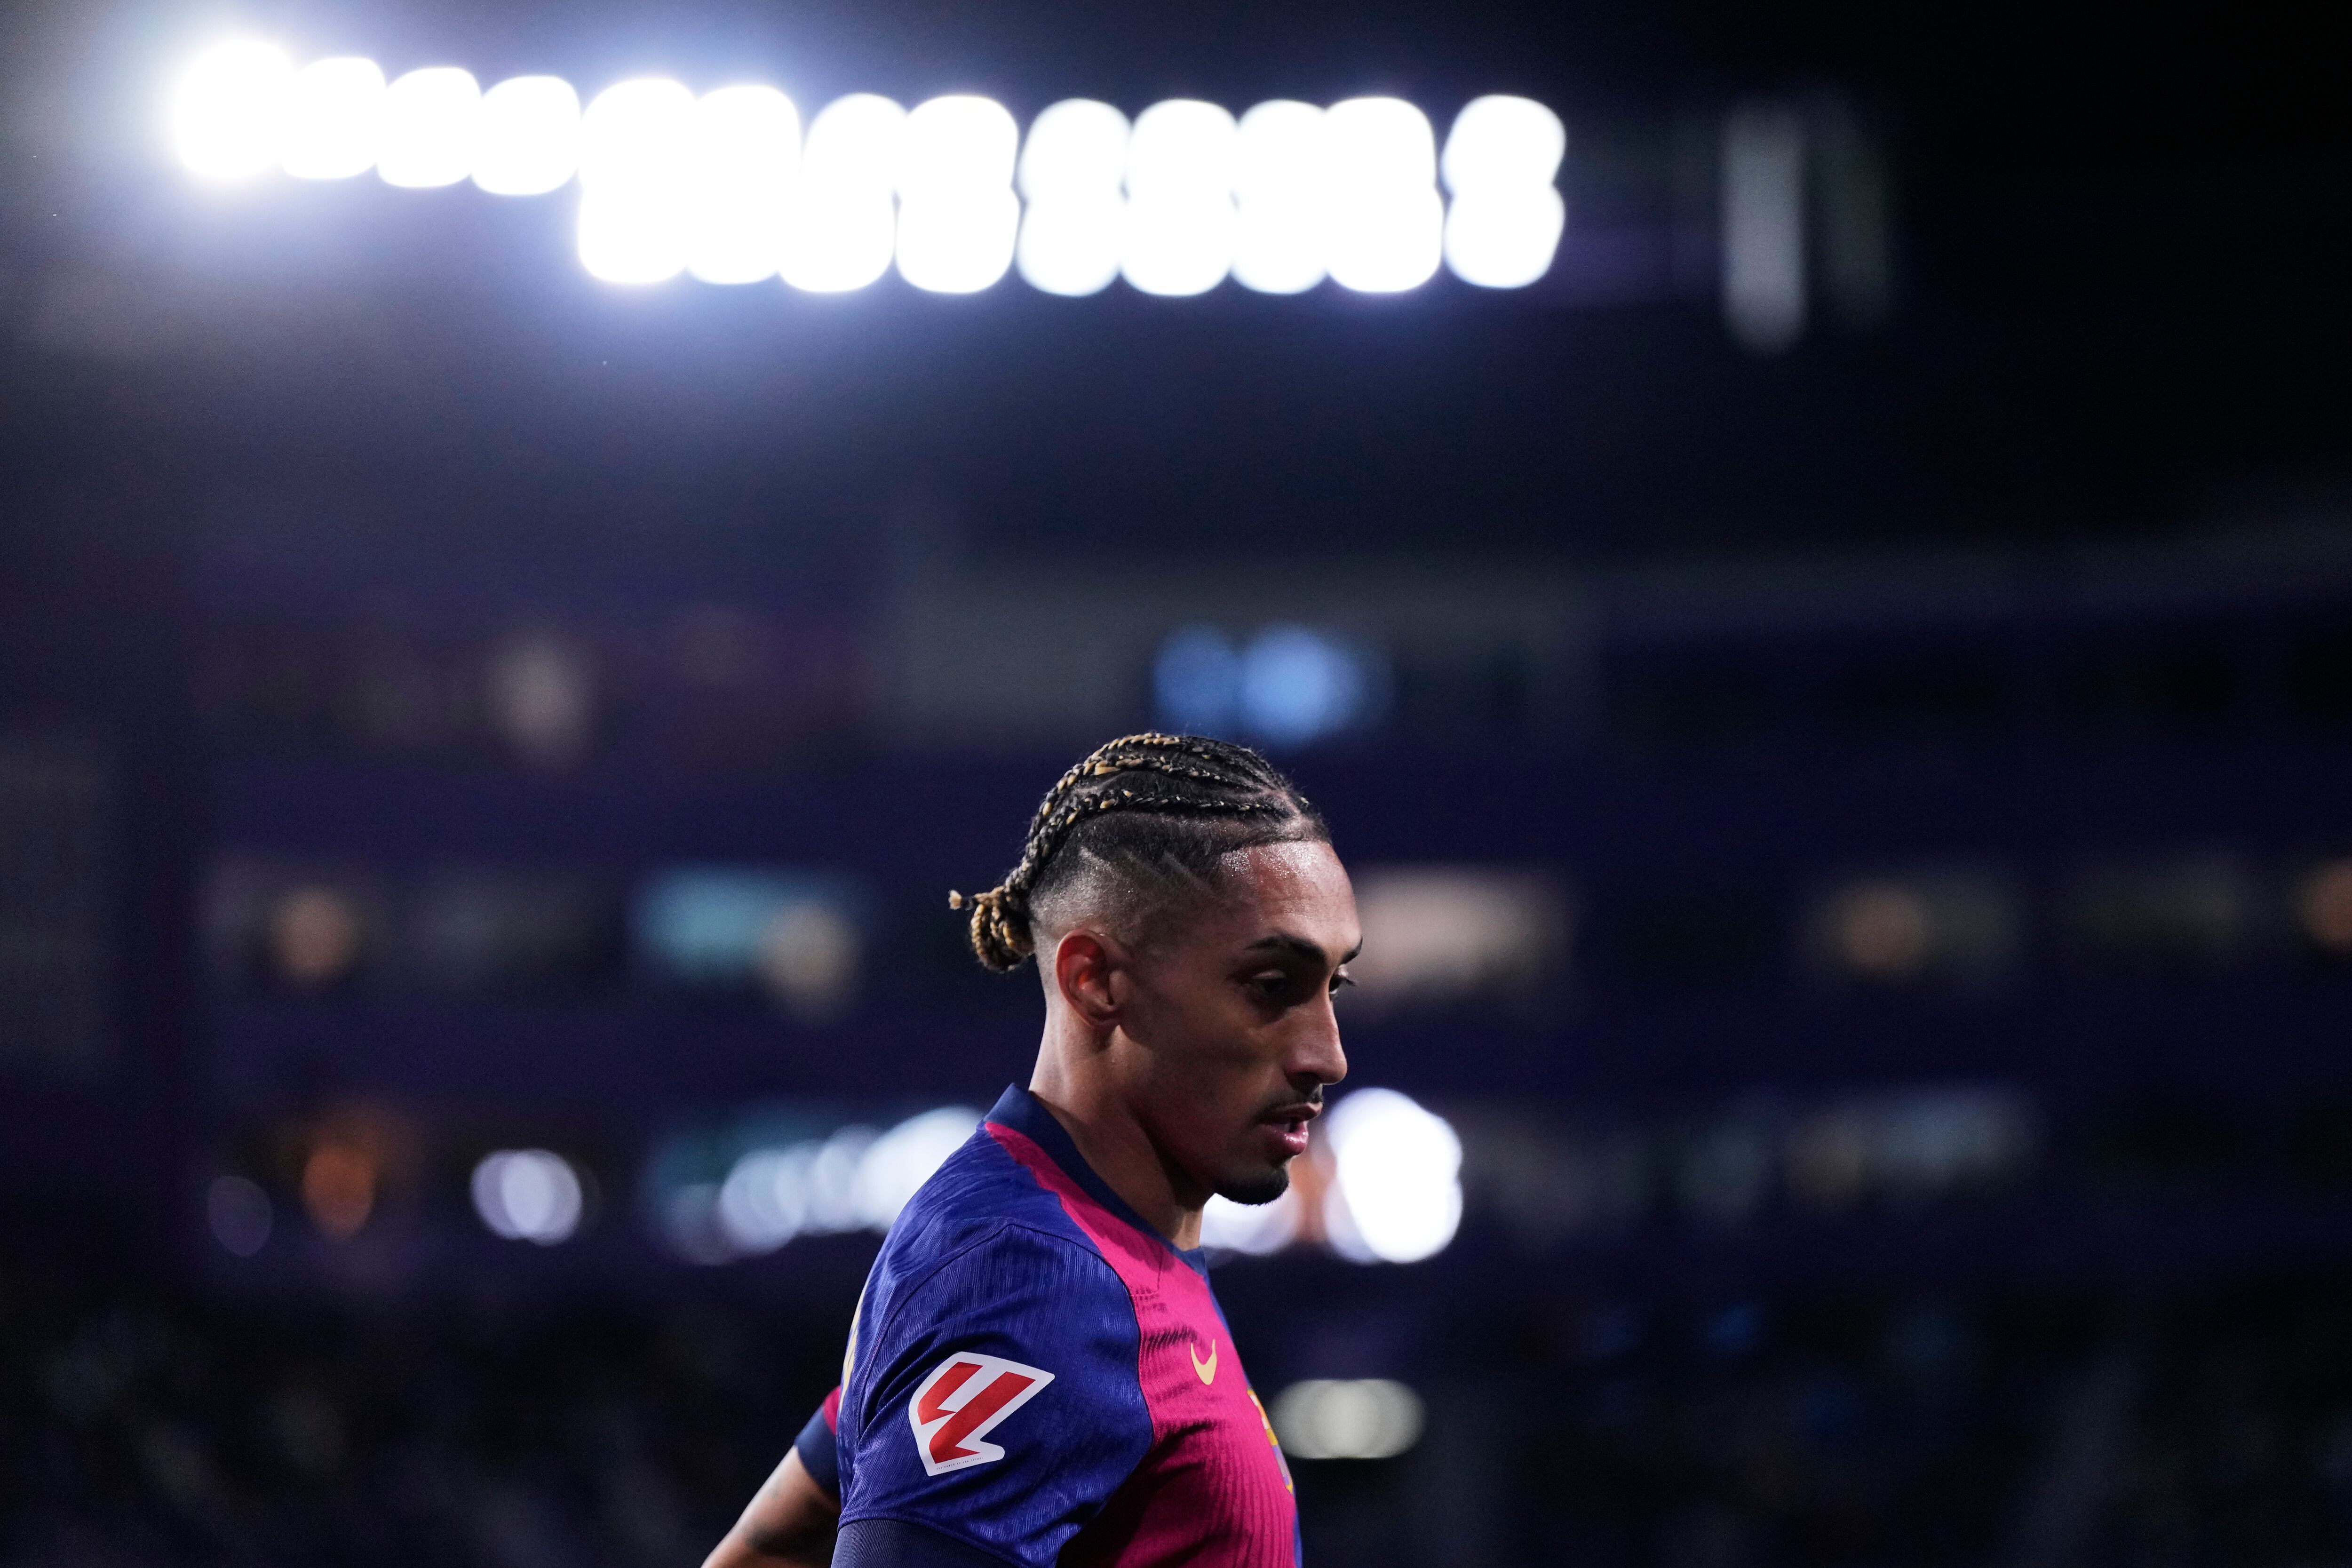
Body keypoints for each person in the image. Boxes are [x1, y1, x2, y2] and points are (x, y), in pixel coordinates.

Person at [705, 732, 1358, 1568]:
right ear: (1096, 980)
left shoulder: (1056, 1242)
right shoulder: (1035, 1280)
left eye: (1334, 986)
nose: (1327, 1053)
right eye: (1272, 986)